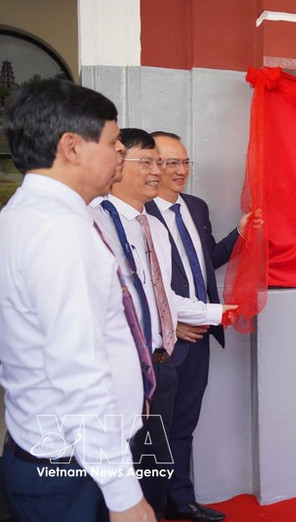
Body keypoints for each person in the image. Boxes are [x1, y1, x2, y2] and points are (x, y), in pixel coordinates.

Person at [0, 79, 155, 521]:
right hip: (74, 469)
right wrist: (124, 496)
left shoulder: (28, 214)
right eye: (113, 145)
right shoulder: (59, 231)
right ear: (71, 147)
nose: (120, 158)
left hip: (58, 454)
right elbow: (79, 371)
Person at [90, 128, 236, 519]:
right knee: (131, 458)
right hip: (129, 364)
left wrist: (219, 313)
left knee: (172, 435)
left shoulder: (175, 216)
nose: (166, 170)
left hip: (171, 350)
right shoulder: (97, 221)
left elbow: (168, 291)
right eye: (155, 162)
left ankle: (175, 500)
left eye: (174, 162)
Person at [145, 132, 257, 522]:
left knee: (184, 424)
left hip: (201, 337)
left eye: (185, 162)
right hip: (164, 341)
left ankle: (181, 501)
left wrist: (240, 233)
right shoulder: (138, 212)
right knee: (153, 430)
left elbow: (207, 261)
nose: (179, 171)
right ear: (151, 164)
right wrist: (174, 320)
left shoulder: (196, 206)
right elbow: (141, 281)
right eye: (169, 162)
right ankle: (149, 507)